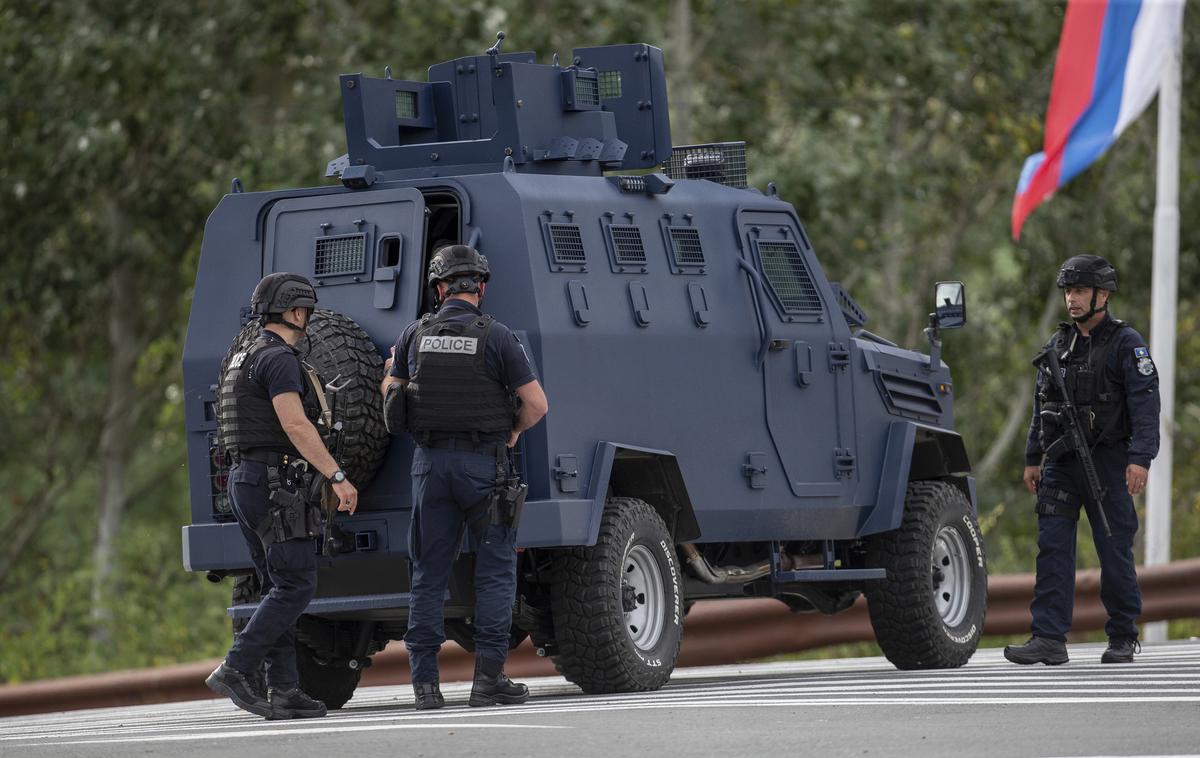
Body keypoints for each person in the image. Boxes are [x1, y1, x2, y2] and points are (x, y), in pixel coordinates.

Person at [381, 245, 548, 710]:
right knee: (495, 574)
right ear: (481, 287)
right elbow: (537, 405)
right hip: (484, 466)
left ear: (439, 289)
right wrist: (512, 431)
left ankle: (426, 687)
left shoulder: (413, 335)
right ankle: (488, 681)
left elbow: (392, 401)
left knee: (428, 574)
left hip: (430, 466)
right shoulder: (498, 337)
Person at [206, 273, 359, 718]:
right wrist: (336, 475)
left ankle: (285, 689)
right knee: (296, 584)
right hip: (273, 483)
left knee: (277, 586)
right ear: (295, 312)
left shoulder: (242, 356)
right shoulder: (279, 359)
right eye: (306, 312)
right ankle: (235, 668)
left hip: (245, 479)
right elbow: (294, 425)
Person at [1005, 255, 1159, 666]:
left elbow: (1146, 404)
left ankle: (1123, 635)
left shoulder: (1127, 343)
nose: (1071, 300)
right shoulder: (1058, 345)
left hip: (1109, 461)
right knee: (1052, 547)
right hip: (1061, 460)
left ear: (1102, 295)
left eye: (1079, 291)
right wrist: (1033, 457)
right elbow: (1041, 407)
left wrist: (1140, 458)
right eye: (1068, 292)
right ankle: (1049, 638)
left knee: (1114, 545)